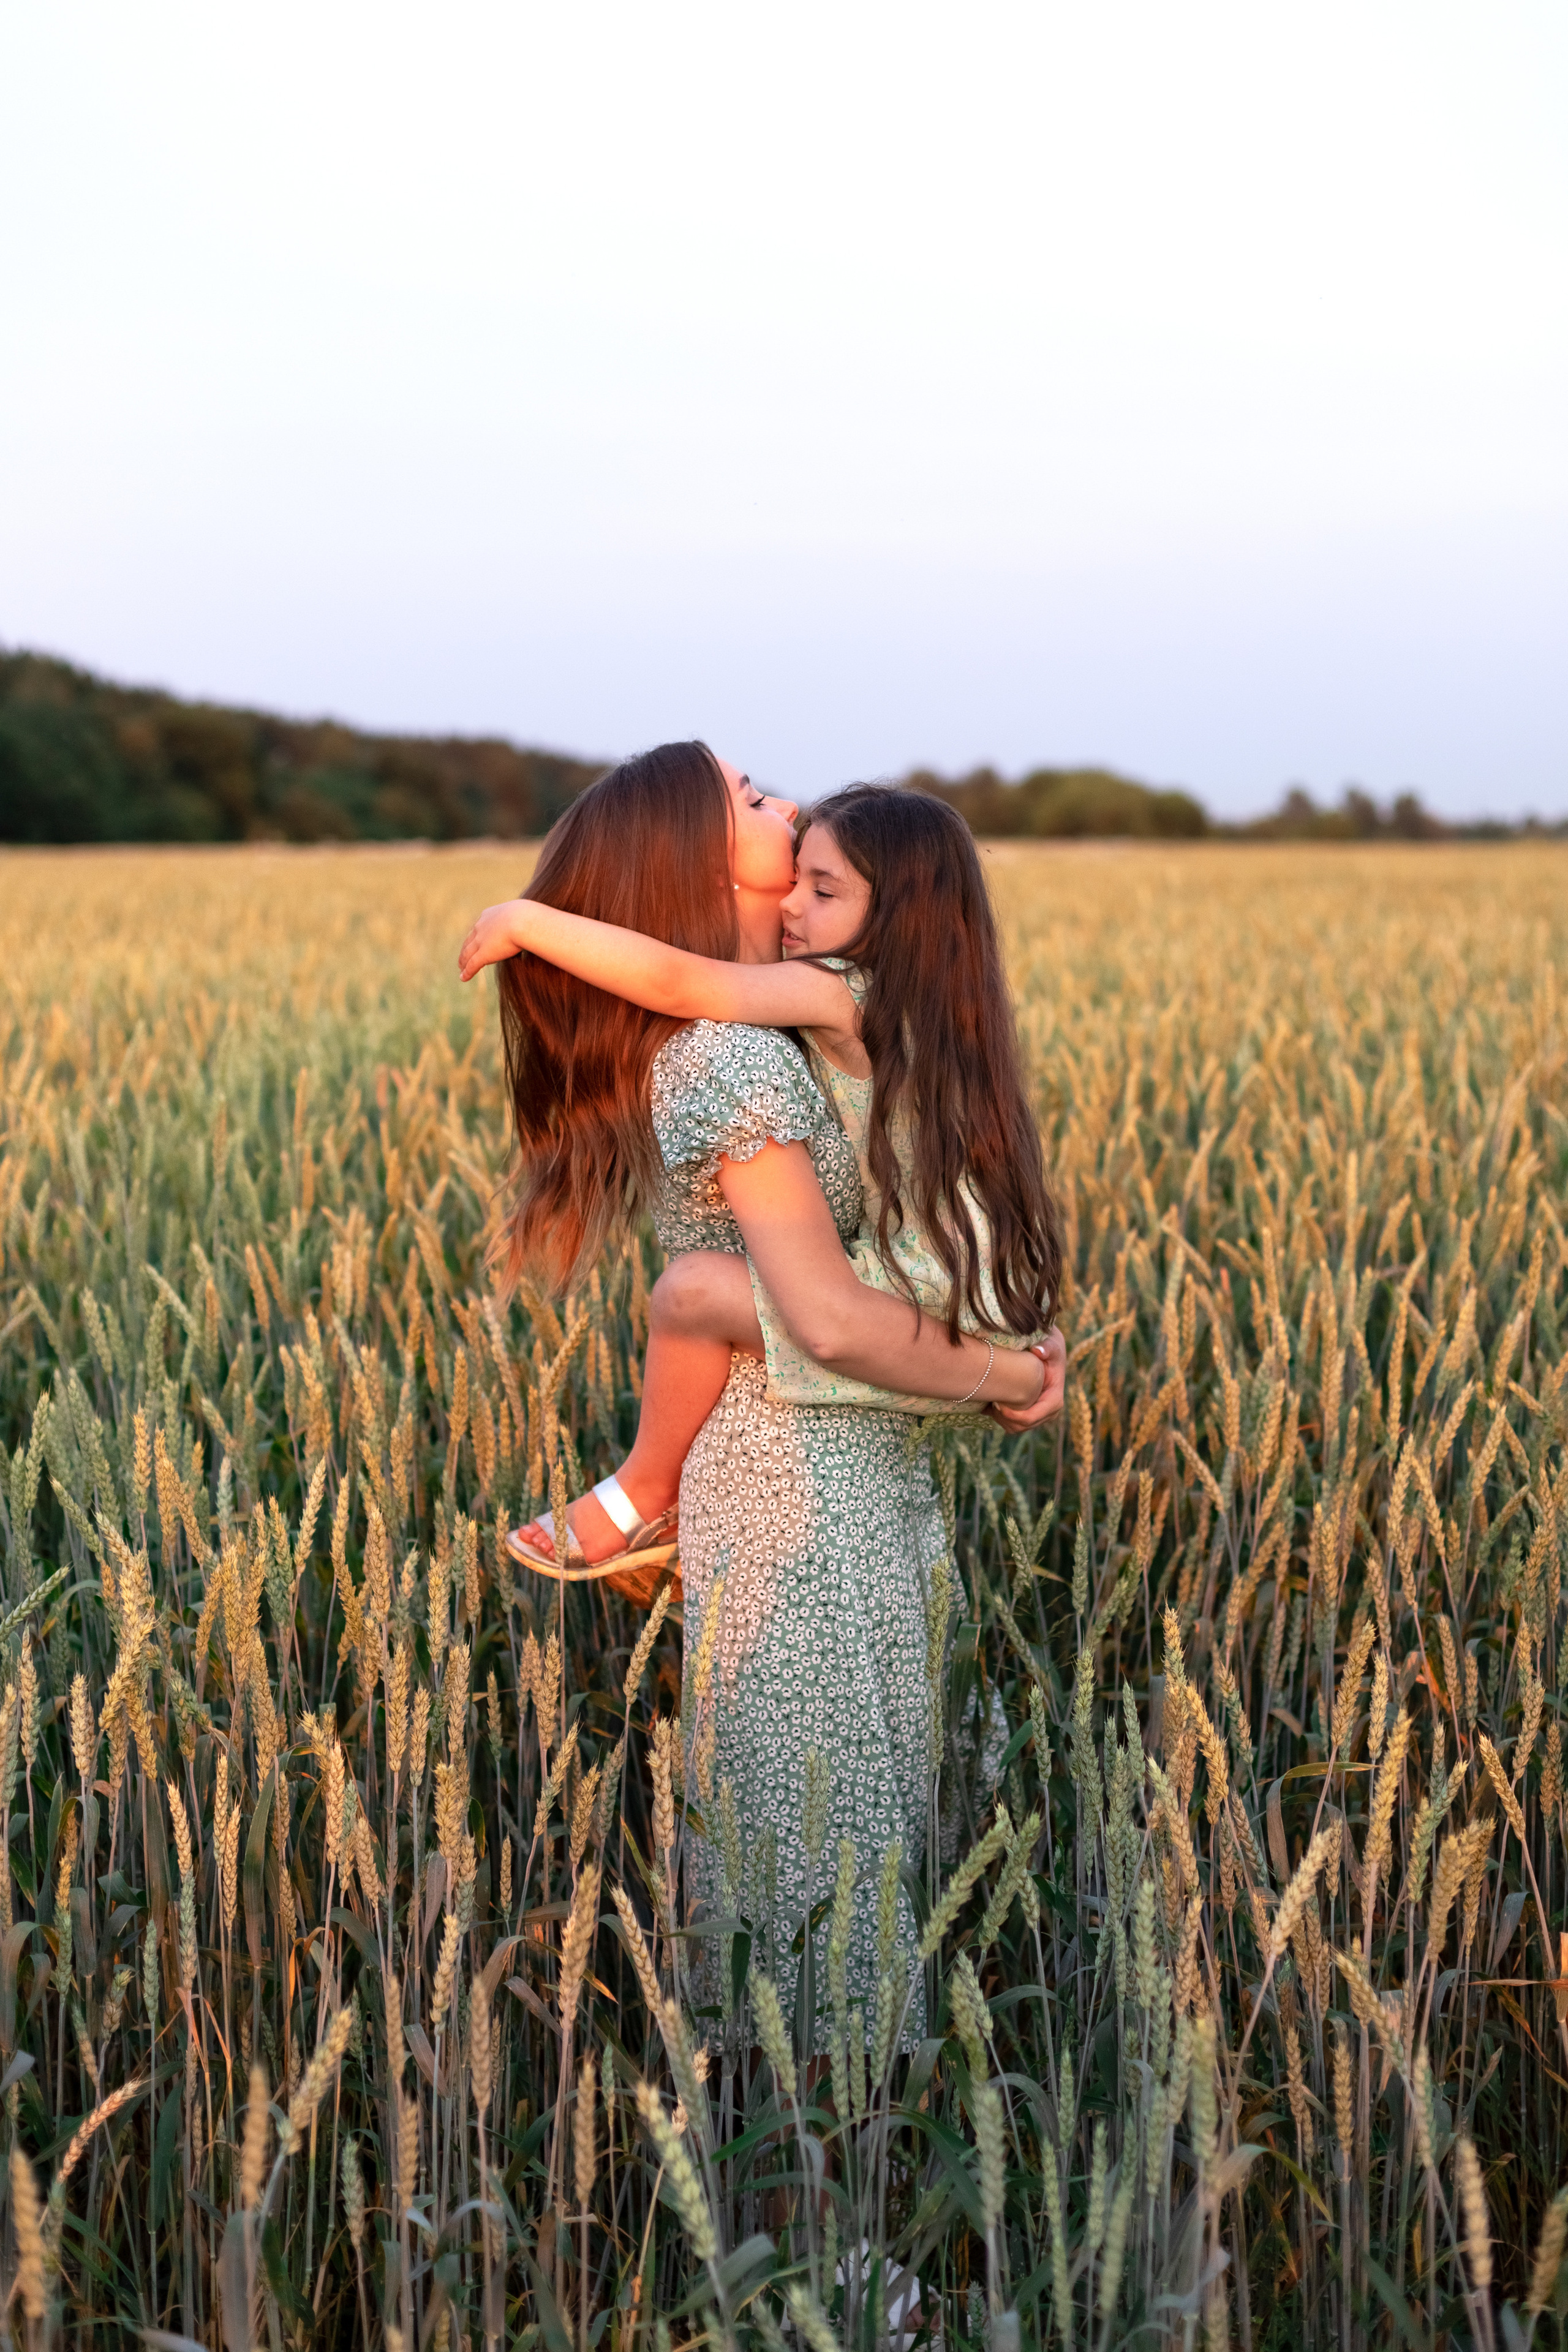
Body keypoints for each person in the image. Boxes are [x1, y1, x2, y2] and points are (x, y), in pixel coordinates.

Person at [462, 742, 1061, 2037]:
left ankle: (825, 2204)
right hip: (799, 1497)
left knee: (827, 1864)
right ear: (690, 856)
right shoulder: (730, 1055)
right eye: (744, 798)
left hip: (851, 1479)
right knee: (808, 1888)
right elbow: (834, 1321)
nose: (779, 804)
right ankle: (816, 2218)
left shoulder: (792, 1018)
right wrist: (1006, 1371)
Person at [460, 780, 1063, 1580]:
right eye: (795, 878)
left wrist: (526, 922)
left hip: (921, 1287)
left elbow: (682, 984)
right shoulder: (933, 1007)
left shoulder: (843, 990)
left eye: (824, 891)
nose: (793, 907)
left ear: (898, 918)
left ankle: (646, 1490)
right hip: (974, 1281)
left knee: (688, 1294)